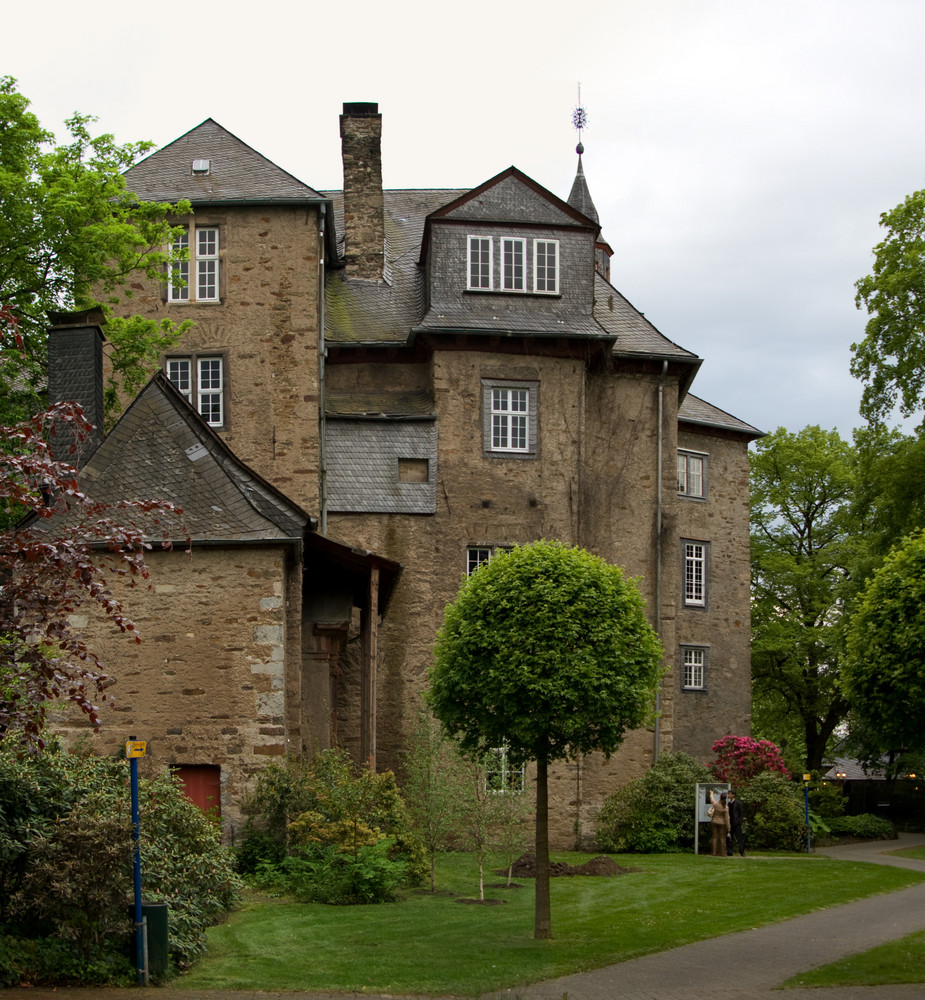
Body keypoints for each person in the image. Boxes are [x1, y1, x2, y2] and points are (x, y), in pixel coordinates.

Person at [708, 789, 730, 857]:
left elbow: (712, 799)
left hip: (714, 822)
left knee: (715, 838)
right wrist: (728, 827)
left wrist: (711, 793)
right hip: (722, 823)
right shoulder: (725, 807)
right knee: (722, 838)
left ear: (720, 797)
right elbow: (726, 818)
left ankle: (714, 853)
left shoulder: (715, 804)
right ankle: (723, 853)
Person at [728, 789, 745, 857]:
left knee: (739, 838)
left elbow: (741, 813)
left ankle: (741, 851)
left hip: (736, 823)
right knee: (730, 838)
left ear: (733, 795)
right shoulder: (729, 803)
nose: (728, 795)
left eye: (730, 794)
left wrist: (739, 821)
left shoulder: (738, 803)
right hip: (730, 823)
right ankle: (730, 851)